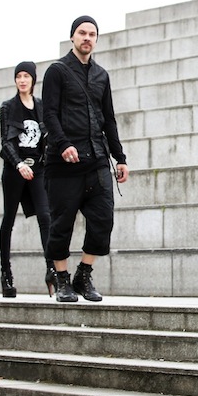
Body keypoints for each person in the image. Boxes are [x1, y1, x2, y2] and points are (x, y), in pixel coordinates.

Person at [42, 16, 129, 302]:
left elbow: (109, 119)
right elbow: (49, 114)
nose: (87, 38)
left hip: (97, 160)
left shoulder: (102, 75)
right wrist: (63, 144)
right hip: (64, 163)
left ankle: (83, 274)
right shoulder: (57, 71)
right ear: (72, 37)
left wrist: (119, 157)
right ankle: (61, 279)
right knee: (61, 224)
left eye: (92, 34)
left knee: (103, 219)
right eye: (82, 33)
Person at [0, 61, 55, 297]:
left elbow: (48, 138)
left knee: (45, 216)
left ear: (33, 79)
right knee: (8, 220)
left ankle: (52, 269)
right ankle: (6, 274)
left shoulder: (41, 106)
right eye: (18, 76)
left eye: (26, 76)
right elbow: (6, 141)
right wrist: (19, 164)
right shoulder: (8, 107)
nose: (22, 80)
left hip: (37, 169)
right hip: (15, 168)